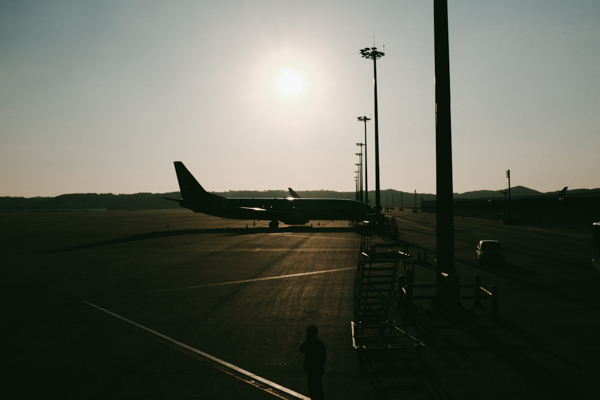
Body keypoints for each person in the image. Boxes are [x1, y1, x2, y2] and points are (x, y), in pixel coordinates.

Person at [300, 325, 326, 400]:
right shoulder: (312, 343)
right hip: (311, 370)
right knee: (312, 388)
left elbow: (323, 359)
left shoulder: (319, 345)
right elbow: (301, 349)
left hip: (315, 370)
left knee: (317, 388)